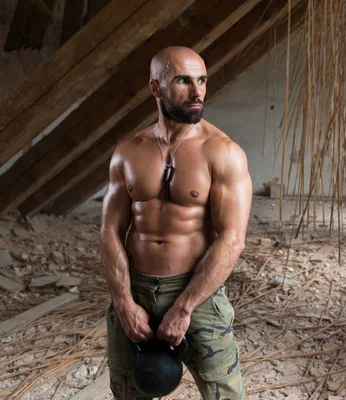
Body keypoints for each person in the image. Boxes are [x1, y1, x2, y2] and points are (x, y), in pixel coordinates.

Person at [100, 46, 252, 400]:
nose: (197, 92)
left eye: (202, 80)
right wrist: (123, 301)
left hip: (196, 291)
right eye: (184, 81)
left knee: (224, 393)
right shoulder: (129, 150)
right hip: (134, 286)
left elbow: (232, 239)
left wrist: (184, 307)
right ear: (156, 88)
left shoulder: (223, 152)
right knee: (127, 390)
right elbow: (110, 231)